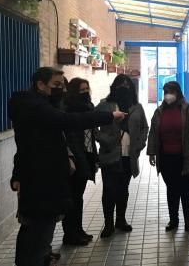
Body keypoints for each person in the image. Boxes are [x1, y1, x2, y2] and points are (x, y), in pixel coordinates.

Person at [8, 67, 125, 266]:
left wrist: (17, 174)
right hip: (40, 181)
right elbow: (69, 121)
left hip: (44, 178)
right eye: (56, 85)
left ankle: (42, 256)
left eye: (62, 86)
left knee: (41, 230)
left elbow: (26, 147)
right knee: (37, 229)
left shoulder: (39, 105)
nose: (60, 90)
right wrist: (109, 116)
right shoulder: (36, 108)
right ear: (40, 85)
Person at [95, 75, 149, 238]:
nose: (124, 88)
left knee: (123, 190)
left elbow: (144, 127)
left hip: (128, 156)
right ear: (114, 87)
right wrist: (103, 139)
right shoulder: (105, 105)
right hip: (110, 155)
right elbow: (90, 124)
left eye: (127, 85)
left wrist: (139, 145)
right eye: (121, 85)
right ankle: (108, 224)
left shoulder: (136, 107)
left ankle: (121, 220)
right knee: (109, 190)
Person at [147, 81, 189, 233]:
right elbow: (153, 132)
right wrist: (151, 152)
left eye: (171, 91)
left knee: (186, 189)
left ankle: (188, 221)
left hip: (185, 157)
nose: (168, 95)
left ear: (178, 93)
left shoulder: (188, 109)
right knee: (171, 189)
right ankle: (174, 219)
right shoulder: (159, 112)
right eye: (165, 92)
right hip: (166, 157)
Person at [61, 78, 99, 245]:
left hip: (88, 155)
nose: (85, 92)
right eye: (81, 90)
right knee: (73, 197)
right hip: (75, 158)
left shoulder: (89, 108)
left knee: (79, 197)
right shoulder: (67, 110)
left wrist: (95, 158)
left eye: (86, 89)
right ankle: (70, 234)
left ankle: (79, 230)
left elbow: (92, 133)